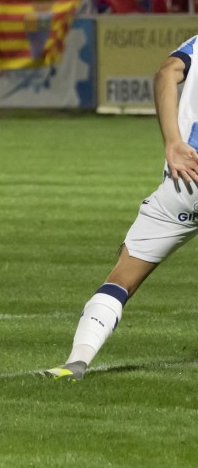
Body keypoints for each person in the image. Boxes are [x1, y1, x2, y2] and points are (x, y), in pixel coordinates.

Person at [45, 37, 198, 380]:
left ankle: (76, 362)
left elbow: (164, 72)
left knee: (121, 279)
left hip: (185, 181)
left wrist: (173, 141)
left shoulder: (195, 47)